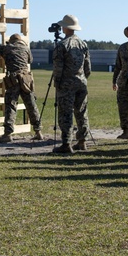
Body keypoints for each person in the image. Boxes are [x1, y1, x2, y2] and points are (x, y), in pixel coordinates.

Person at [0, 34, 43, 143]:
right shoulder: (26, 48)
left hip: (14, 80)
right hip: (26, 79)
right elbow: (30, 60)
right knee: (31, 105)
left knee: (11, 106)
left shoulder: (7, 48)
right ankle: (38, 131)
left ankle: (7, 134)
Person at [50, 14, 91, 154]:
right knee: (82, 112)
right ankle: (82, 141)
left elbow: (58, 68)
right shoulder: (83, 44)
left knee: (66, 113)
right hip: (81, 82)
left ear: (65, 28)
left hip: (67, 83)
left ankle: (66, 143)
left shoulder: (62, 45)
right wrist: (83, 78)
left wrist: (58, 82)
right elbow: (88, 67)